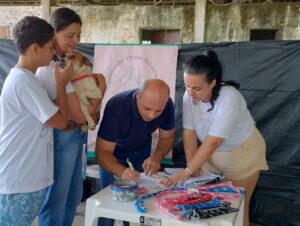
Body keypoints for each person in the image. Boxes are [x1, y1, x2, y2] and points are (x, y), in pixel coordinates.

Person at [161, 50, 269, 226]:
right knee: (204, 206)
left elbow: (213, 141)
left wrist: (187, 171)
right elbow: (189, 132)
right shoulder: (189, 95)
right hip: (212, 154)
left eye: (196, 88)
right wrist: (192, 165)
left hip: (242, 154)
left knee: (236, 209)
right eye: (187, 86)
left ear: (212, 83)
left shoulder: (230, 97)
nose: (190, 92)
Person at [36, 8, 106, 226]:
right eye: (70, 35)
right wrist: (101, 90)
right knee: (57, 198)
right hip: (62, 136)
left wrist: (93, 105)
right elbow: (79, 114)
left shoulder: (66, 64)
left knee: (73, 195)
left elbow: (91, 114)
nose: (76, 40)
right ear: (53, 33)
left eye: (79, 35)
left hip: (76, 135)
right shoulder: (51, 69)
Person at [0, 16, 72, 226]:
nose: (53, 53)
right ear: (34, 48)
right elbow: (61, 121)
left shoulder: (28, 79)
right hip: (18, 182)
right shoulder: (23, 81)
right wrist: (61, 84)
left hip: (23, 180)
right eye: (50, 48)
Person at [96, 79, 175, 226]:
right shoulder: (117, 106)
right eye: (147, 108)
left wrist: (156, 157)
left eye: (158, 111)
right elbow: (102, 153)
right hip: (113, 154)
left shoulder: (168, 105)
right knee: (108, 204)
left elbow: (167, 137)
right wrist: (121, 171)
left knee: (137, 203)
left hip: (142, 150)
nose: (152, 115)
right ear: (138, 96)